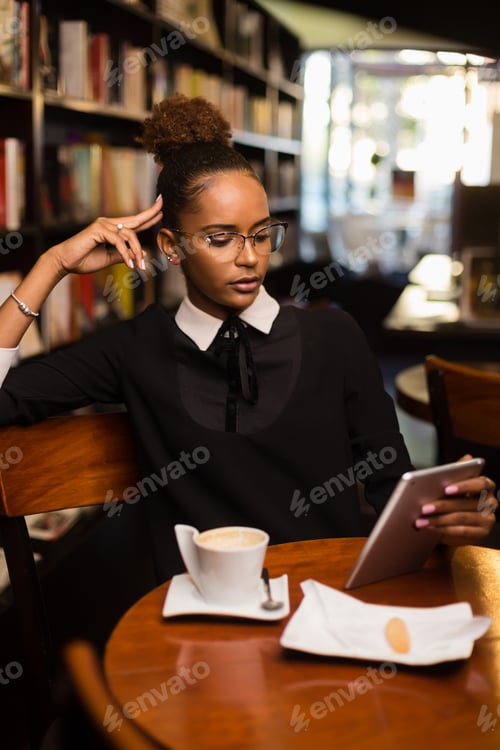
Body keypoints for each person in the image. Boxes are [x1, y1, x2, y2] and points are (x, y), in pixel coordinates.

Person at [0, 94, 497, 581]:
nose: (250, 258)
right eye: (221, 239)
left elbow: (395, 494)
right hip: (202, 623)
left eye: (261, 235)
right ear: (172, 246)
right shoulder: (136, 347)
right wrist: (53, 265)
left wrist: (448, 517)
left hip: (332, 605)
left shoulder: (333, 336)